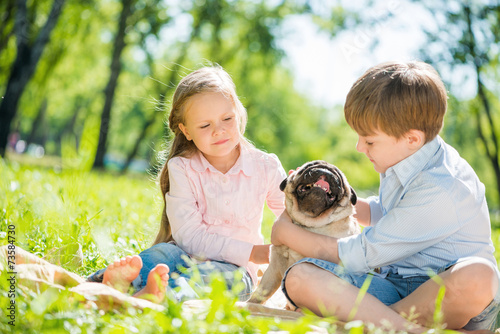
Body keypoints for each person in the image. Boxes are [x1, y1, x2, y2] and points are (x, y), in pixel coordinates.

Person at [271, 61, 500, 332]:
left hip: (446, 294)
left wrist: (286, 233)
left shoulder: (443, 186)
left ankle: (381, 322)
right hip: (395, 287)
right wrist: (337, 202)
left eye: (369, 141)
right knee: (299, 278)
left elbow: (361, 253)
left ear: (412, 138)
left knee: (478, 277)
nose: (359, 147)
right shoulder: (405, 155)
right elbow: (391, 212)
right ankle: (393, 323)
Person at [88, 65, 286, 303]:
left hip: (237, 269)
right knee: (161, 255)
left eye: (227, 118)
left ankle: (161, 295)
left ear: (239, 113)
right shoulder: (183, 167)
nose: (219, 130)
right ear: (186, 130)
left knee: (207, 279)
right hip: (184, 252)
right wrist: (253, 251)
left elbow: (291, 216)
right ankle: (118, 282)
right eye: (205, 125)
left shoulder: (265, 166)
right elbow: (189, 235)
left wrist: (299, 202)